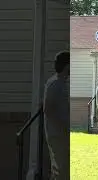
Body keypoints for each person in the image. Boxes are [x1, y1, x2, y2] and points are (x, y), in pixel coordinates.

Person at [43, 51, 69, 180]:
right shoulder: (55, 84)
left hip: (62, 134)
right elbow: (48, 109)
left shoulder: (62, 83)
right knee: (61, 171)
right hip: (57, 134)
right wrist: (62, 126)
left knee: (61, 170)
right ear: (67, 66)